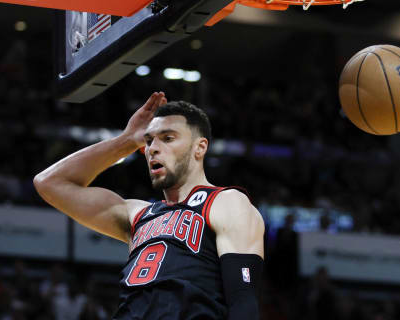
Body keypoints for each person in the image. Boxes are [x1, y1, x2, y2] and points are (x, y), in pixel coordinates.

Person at [34, 92, 265, 320]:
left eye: (168, 138)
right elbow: (49, 183)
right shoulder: (137, 214)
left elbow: (243, 301)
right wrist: (126, 141)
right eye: (149, 140)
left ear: (200, 148)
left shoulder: (225, 201)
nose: (153, 148)